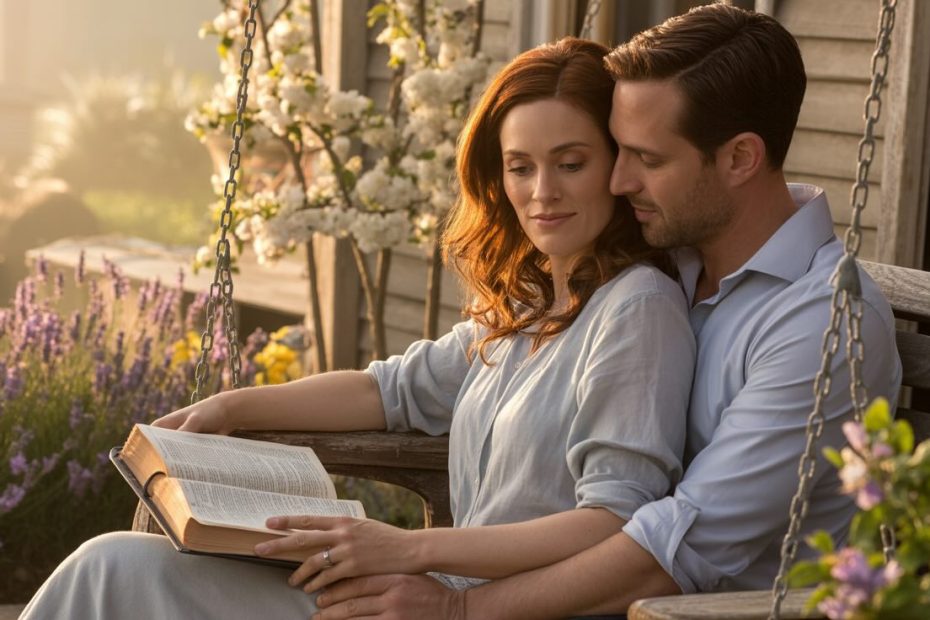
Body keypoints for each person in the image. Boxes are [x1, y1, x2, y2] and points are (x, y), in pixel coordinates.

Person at [20, 38, 696, 619]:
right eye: (520, 167)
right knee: (113, 568)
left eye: (570, 162)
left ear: (616, 166)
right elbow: (389, 391)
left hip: (482, 606)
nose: (541, 190)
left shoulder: (636, 309)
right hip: (412, 593)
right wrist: (234, 404)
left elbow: (612, 521)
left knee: (112, 575)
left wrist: (408, 549)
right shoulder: (523, 311)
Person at [303, 4, 904, 619]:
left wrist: (455, 609)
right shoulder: (668, 264)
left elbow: (672, 550)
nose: (617, 181)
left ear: (739, 158)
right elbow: (423, 380)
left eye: (648, 158)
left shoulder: (821, 323)